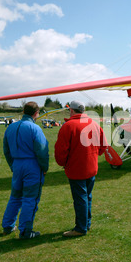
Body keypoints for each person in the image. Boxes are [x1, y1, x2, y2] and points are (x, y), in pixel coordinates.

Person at [55, 100, 108, 237]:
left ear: (71, 110)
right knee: (87, 197)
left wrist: (63, 163)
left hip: (77, 169)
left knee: (80, 199)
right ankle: (86, 223)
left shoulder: (68, 126)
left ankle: (80, 228)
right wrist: (94, 155)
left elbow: (61, 151)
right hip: (91, 167)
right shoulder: (94, 124)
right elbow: (104, 146)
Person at [2, 101, 49, 239]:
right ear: (36, 113)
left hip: (17, 165)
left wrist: (13, 165)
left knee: (15, 197)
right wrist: (44, 168)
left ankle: (8, 225)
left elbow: (6, 150)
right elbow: (42, 151)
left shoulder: (10, 127)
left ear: (23, 111)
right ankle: (25, 231)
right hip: (32, 166)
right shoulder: (35, 129)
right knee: (30, 198)